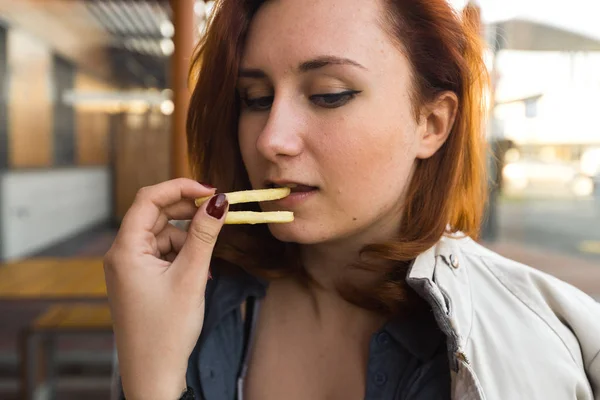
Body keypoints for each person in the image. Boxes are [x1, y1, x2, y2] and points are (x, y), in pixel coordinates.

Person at [105, 0, 600, 399]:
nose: (270, 139)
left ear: (431, 124)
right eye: (255, 99)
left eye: (329, 94)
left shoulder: (524, 345)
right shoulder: (193, 300)